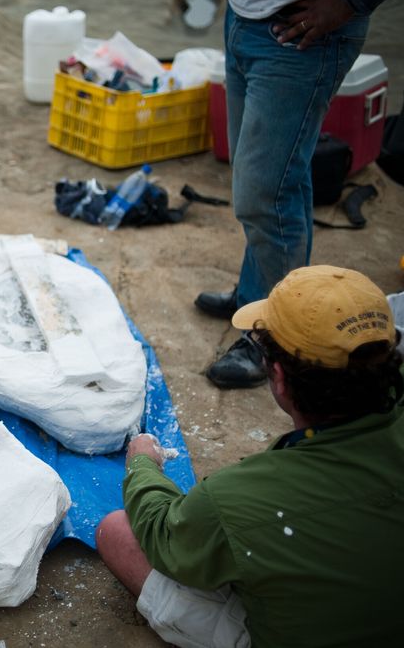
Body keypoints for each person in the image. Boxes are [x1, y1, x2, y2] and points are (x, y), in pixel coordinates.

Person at [97, 265, 404, 647]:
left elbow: (164, 536)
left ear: (277, 375)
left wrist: (142, 464)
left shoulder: (237, 500)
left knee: (116, 531)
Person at [195, 0, 404, 389]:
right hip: (248, 16)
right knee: (272, 177)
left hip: (303, 31)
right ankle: (258, 295)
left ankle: (275, 335)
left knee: (264, 192)